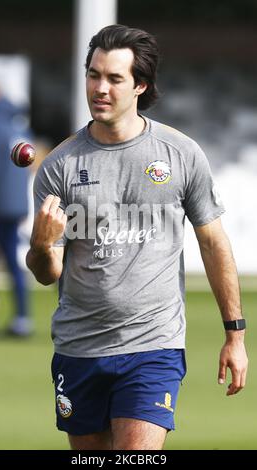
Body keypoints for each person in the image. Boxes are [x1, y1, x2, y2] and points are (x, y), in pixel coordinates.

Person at [26, 25, 248, 450]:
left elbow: (214, 243)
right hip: (79, 348)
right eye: (94, 75)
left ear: (140, 85)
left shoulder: (180, 154)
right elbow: (46, 273)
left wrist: (235, 335)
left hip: (154, 345)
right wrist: (39, 245)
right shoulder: (59, 166)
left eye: (114, 78)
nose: (99, 88)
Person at [0, 83, 32, 336]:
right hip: (17, 203)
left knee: (10, 261)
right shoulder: (19, 125)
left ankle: (22, 319)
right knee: (14, 261)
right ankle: (22, 317)